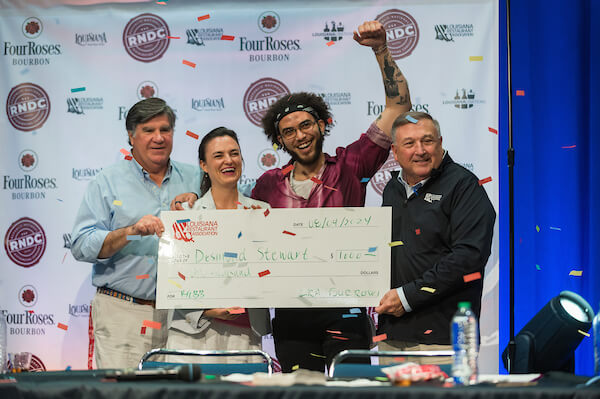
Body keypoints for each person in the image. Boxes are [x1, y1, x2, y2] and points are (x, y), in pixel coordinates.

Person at [250, 20, 412, 372]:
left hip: (347, 309)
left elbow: (398, 108)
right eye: (288, 132)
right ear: (281, 142)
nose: (300, 136)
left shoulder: (352, 163)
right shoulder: (265, 186)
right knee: (298, 395)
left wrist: (380, 50)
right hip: (291, 314)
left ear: (323, 124)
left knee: (352, 393)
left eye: (306, 125)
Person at [70, 98, 201, 368]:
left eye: (165, 130)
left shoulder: (196, 178)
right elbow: (81, 244)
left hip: (184, 317)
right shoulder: (107, 182)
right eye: (148, 130)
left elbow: (231, 218)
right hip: (124, 313)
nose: (159, 138)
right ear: (131, 135)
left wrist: (202, 205)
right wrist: (129, 232)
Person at [374, 111, 496, 364]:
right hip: (393, 336)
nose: (420, 150)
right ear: (395, 153)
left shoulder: (464, 186)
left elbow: (468, 257)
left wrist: (407, 297)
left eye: (427, 141)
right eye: (409, 144)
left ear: (440, 144)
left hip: (443, 340)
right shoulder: (392, 189)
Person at [166, 127, 271, 363]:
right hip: (191, 332)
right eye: (218, 155)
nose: (228, 161)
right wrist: (206, 309)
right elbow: (172, 278)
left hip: (246, 333)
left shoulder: (262, 212)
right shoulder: (186, 213)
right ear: (203, 165)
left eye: (234, 153)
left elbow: (272, 274)